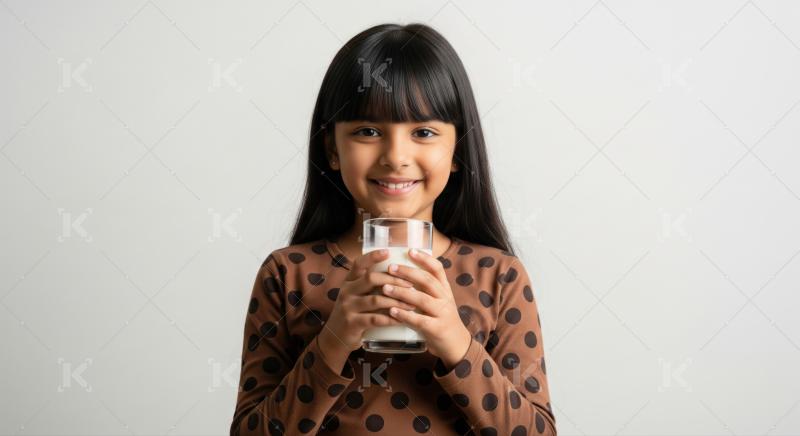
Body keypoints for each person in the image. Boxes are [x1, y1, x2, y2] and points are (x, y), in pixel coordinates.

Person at [231, 23, 556, 435]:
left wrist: (455, 342)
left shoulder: (498, 276)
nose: (396, 156)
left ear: (457, 151)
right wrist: (335, 338)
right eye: (368, 132)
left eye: (423, 132)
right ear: (332, 149)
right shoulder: (286, 274)